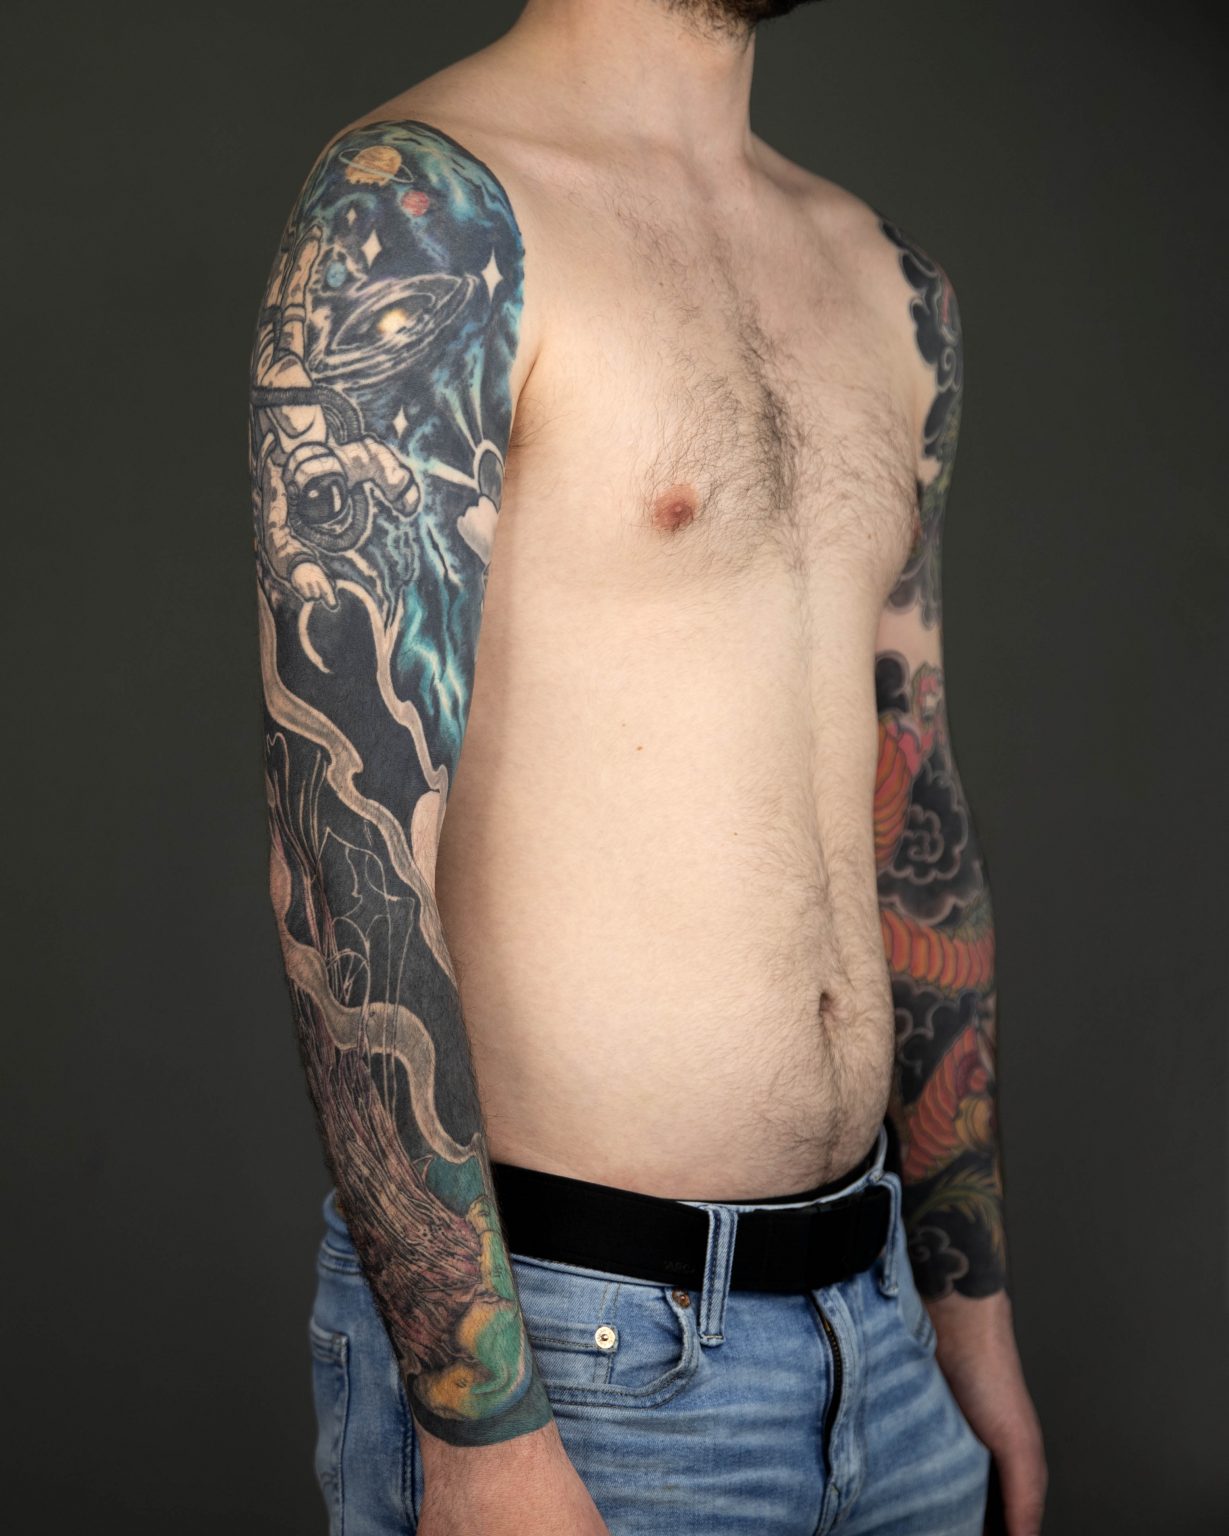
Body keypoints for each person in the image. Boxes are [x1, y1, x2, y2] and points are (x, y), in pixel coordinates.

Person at [247, 1, 1047, 1532]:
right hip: (580, 1362)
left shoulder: (885, 281)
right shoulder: (421, 217)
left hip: (883, 1337)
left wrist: (970, 1313)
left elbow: (911, 813)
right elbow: (343, 851)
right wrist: (481, 1427)